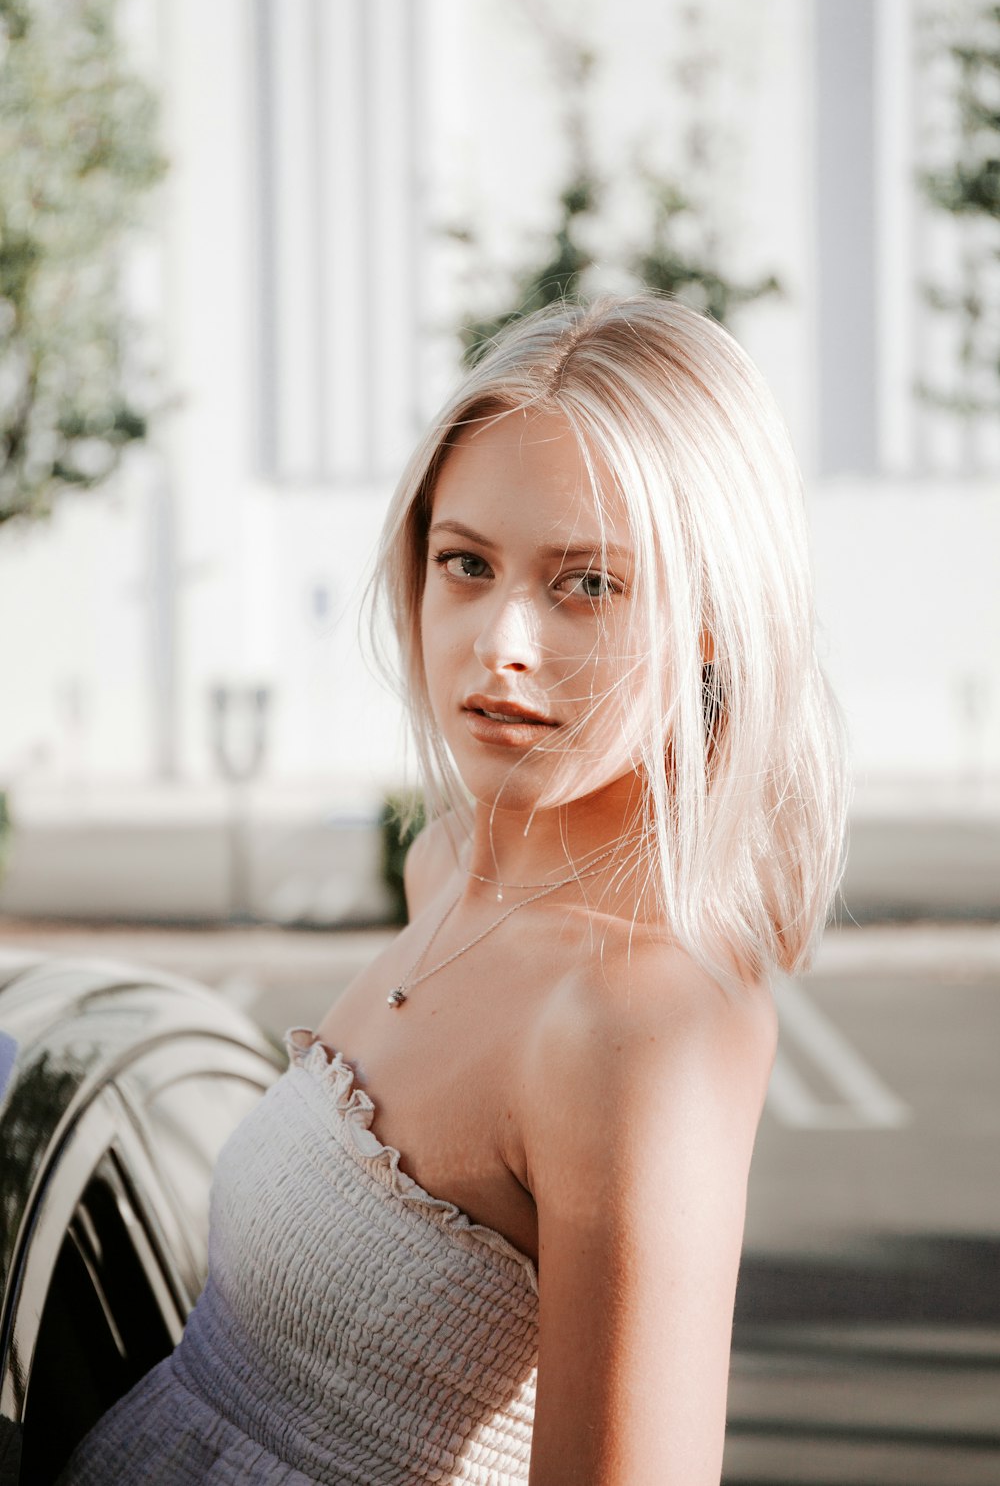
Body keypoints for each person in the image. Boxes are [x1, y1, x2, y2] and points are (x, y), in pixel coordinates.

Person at [60, 294, 847, 1485]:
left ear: (710, 622)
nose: (500, 644)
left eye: (586, 585)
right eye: (465, 563)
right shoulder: (442, 869)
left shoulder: (642, 1015)